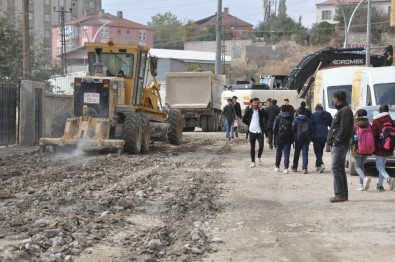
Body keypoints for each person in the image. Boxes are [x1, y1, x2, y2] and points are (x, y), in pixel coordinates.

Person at [327, 91, 354, 203]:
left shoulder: (345, 110)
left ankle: (339, 194)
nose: (333, 101)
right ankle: (342, 194)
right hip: (340, 144)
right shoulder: (342, 110)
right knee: (339, 169)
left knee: (335, 168)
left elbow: (344, 129)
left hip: (340, 145)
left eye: (333, 98)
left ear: (337, 98)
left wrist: (336, 141)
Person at [372, 105, 395, 191]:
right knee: (382, 166)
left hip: (379, 145)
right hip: (389, 146)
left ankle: (388, 178)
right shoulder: (392, 121)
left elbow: (373, 133)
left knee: (379, 165)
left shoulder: (376, 121)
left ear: (379, 111)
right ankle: (380, 185)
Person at [351, 109, 372, 191]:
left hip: (357, 148)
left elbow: (351, 135)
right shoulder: (368, 124)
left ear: (357, 115)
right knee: (362, 165)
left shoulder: (355, 124)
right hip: (367, 148)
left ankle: (364, 179)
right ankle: (361, 185)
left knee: (357, 167)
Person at [242, 98, 266, 168]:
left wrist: (262, 109)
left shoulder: (260, 111)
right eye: (254, 102)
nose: (256, 104)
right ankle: (253, 162)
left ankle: (259, 157)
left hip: (259, 131)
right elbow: (244, 119)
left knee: (261, 146)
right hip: (252, 131)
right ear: (252, 103)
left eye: (257, 102)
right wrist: (249, 124)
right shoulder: (249, 110)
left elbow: (266, 116)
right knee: (252, 147)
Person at [310, 104, 332, 173]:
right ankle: (318, 166)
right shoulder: (328, 115)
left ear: (316, 109)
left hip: (316, 135)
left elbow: (310, 125)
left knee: (317, 151)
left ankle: (321, 164)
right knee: (320, 151)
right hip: (325, 135)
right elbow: (331, 124)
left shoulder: (313, 115)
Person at [273, 105, 294, 174]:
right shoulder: (291, 117)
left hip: (280, 137)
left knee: (279, 152)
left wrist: (275, 135)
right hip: (288, 137)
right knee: (286, 153)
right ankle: (286, 168)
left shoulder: (278, 117)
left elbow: (274, 128)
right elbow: (293, 127)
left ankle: (277, 167)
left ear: (281, 110)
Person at [291, 107, 312, 174]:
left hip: (298, 138)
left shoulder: (296, 120)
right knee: (305, 153)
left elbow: (293, 129)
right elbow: (311, 129)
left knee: (297, 153)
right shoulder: (308, 120)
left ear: (298, 112)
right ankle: (304, 168)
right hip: (306, 138)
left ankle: (294, 167)